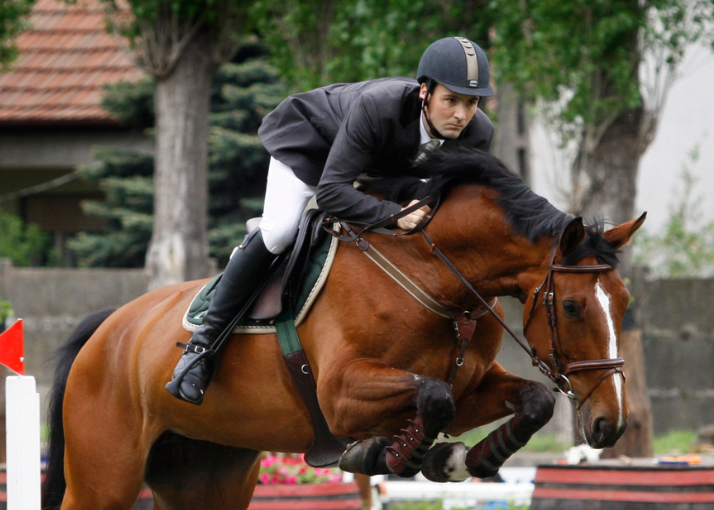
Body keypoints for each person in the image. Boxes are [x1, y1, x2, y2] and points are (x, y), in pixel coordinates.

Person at [166, 36, 497, 404]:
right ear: (425, 92)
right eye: (451, 100)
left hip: (376, 165)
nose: (461, 115)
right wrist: (392, 216)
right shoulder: (379, 106)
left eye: (471, 103)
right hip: (312, 147)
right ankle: (202, 347)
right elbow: (331, 193)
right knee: (280, 231)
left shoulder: (478, 133)